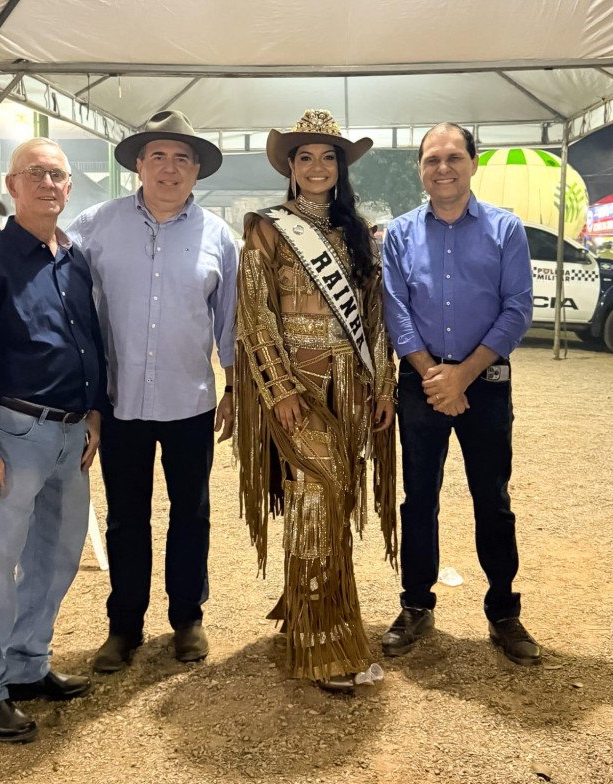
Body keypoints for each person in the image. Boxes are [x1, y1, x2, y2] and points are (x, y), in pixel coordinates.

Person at [0, 138, 108, 743]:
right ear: (12, 186)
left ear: (70, 189)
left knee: (57, 555)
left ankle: (27, 664)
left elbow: (89, 338)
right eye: (34, 173)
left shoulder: (74, 259)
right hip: (13, 433)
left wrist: (94, 413)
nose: (47, 184)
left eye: (58, 175)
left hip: (72, 434)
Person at [66, 111, 237, 672]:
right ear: (138, 165)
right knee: (125, 517)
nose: (170, 168)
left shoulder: (219, 237)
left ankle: (187, 618)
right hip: (118, 401)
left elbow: (230, 320)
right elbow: (47, 265)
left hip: (190, 401)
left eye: (182, 158)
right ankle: (124, 625)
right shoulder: (94, 225)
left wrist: (235, 384)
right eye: (158, 156)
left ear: (197, 171)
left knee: (192, 511)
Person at [235, 110, 397, 692]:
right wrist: (277, 388)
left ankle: (307, 613)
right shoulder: (267, 228)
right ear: (290, 166)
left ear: (341, 167)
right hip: (298, 392)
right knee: (319, 497)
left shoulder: (359, 232)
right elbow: (255, 317)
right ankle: (322, 641)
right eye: (305, 157)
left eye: (328, 157)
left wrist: (383, 386)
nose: (317, 167)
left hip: (350, 387)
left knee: (328, 500)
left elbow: (375, 319)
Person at [381, 122, 541, 666]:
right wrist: (433, 375)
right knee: (418, 498)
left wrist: (462, 376)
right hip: (420, 384)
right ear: (419, 169)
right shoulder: (400, 234)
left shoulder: (505, 229)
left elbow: (517, 308)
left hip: (486, 385)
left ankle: (503, 612)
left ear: (474, 163)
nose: (442, 168)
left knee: (492, 499)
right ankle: (416, 605)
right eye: (432, 159)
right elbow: (395, 311)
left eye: (453, 157)